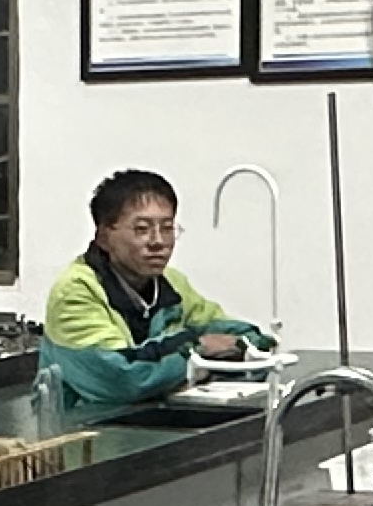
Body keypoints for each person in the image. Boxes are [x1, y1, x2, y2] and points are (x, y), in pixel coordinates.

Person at [40, 169, 270, 409]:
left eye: (167, 228)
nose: (158, 242)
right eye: (142, 229)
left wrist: (220, 350)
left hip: (156, 419)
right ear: (104, 237)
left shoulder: (171, 283)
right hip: (83, 425)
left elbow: (249, 339)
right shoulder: (75, 292)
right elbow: (124, 380)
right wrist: (197, 349)